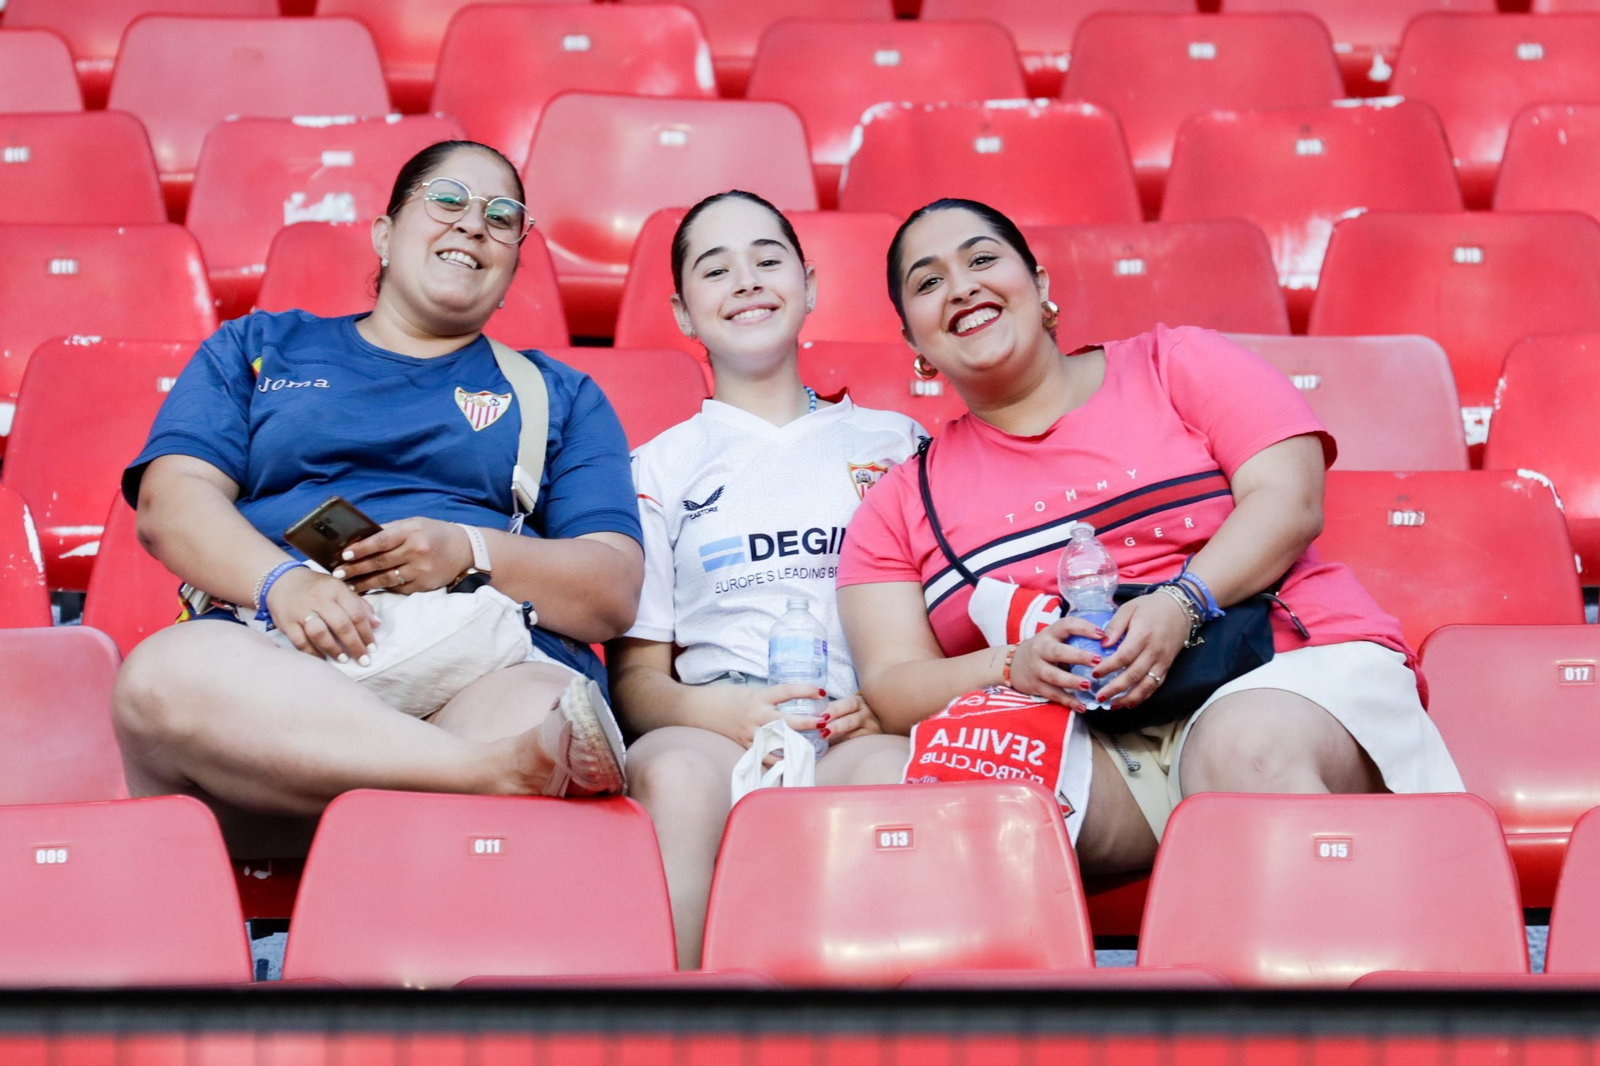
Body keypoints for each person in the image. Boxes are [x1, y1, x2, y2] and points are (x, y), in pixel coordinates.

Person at [836, 198, 1463, 876]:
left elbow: (1290, 499)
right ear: (914, 344)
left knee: (1240, 751)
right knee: (882, 780)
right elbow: (894, 683)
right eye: (928, 283)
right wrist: (1014, 666)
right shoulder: (901, 499)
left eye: (983, 259)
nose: (961, 287)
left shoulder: (1177, 363)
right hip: (1098, 741)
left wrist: (1181, 602)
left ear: (1040, 285)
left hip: (1284, 675)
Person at [112, 140, 643, 857]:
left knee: (546, 713)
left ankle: (490, 769)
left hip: (478, 670)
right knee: (163, 677)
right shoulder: (261, 347)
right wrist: (282, 583)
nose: (472, 224)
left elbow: (610, 590)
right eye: (446, 200)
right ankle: (491, 773)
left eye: (502, 215)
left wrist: (470, 551)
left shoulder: (559, 396)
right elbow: (169, 503)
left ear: (515, 262)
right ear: (385, 235)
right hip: (269, 672)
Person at [608, 191, 919, 968]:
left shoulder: (897, 442)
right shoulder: (657, 467)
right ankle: (674, 1033)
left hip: (862, 721)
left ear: (809, 285)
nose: (746, 280)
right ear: (683, 312)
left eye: (767, 259)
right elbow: (640, 683)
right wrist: (724, 711)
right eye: (716, 269)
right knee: (672, 774)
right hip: (716, 723)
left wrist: (881, 709)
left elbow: (933, 629)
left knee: (894, 773)